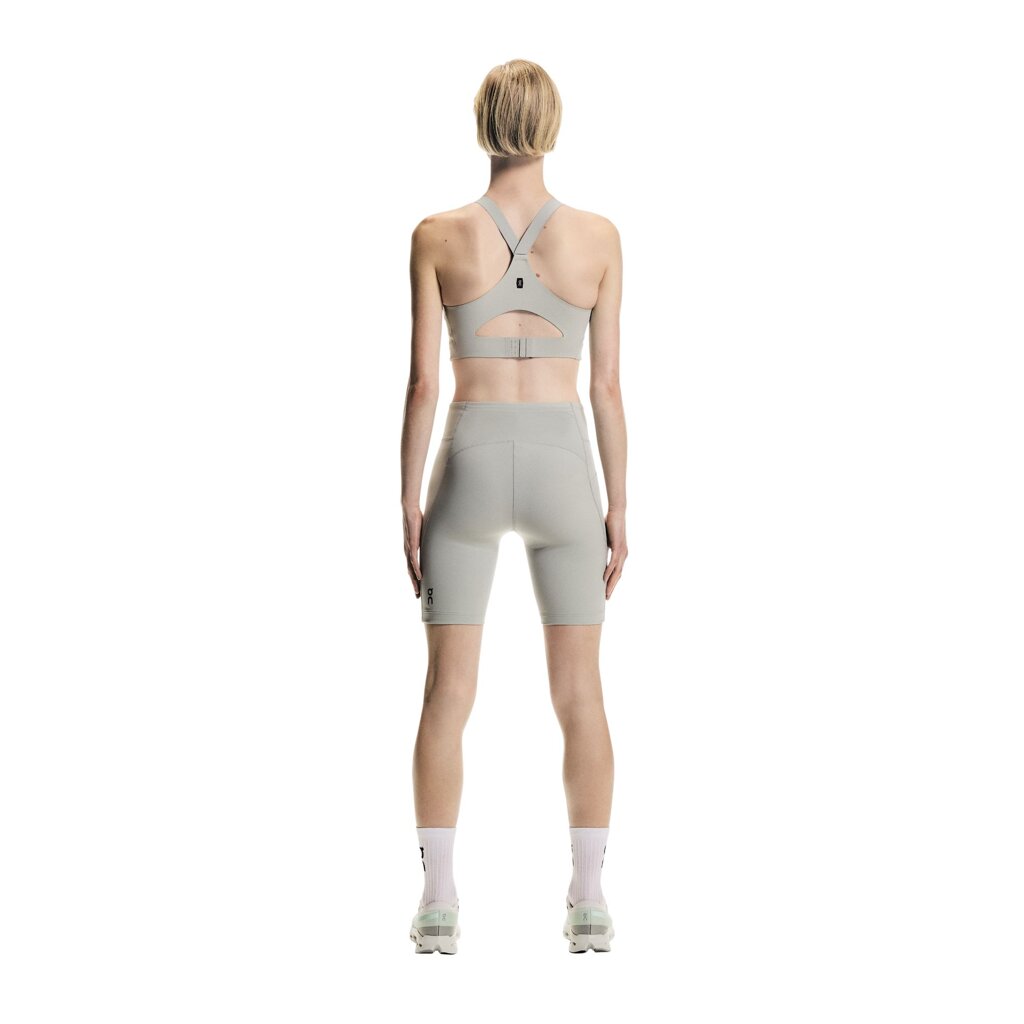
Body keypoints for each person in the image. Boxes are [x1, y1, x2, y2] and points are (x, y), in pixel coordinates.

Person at [400, 59, 628, 954]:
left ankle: (438, 905)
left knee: (447, 692)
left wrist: (408, 501)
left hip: (466, 455)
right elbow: (606, 387)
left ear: (483, 120)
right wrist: (619, 506)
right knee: (579, 692)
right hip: (563, 464)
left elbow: (424, 384)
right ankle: (589, 900)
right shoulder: (599, 239)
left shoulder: (436, 235)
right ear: (553, 123)